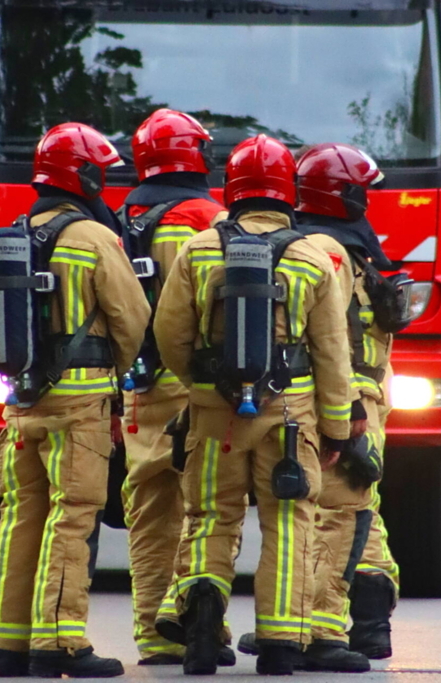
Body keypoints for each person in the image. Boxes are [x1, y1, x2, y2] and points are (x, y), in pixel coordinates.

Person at [153, 134, 353, 676]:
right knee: (288, 523)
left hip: (214, 417)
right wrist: (337, 430)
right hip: (289, 420)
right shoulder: (314, 257)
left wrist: (200, 386)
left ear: (232, 190)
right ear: (289, 193)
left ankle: (198, 630)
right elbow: (333, 353)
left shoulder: (198, 249)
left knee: (209, 518)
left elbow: (169, 334)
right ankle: (283, 645)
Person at [0, 122, 150, 679]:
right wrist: (117, 377)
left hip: (21, 404)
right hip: (80, 406)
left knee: (19, 518)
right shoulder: (95, 239)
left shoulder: (15, 231)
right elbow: (132, 319)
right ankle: (59, 641)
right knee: (72, 518)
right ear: (87, 177)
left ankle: (7, 644)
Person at [117, 109, 231, 666]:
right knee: (204, 506)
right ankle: (181, 611)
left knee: (149, 509)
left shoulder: (122, 217)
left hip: (138, 387)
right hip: (194, 386)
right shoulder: (209, 218)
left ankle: (152, 634)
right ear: (198, 157)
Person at [294, 142, 394, 667]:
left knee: (344, 508)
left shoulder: (323, 247)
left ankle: (321, 628)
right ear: (344, 197)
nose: (370, 204)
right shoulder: (341, 250)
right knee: (355, 508)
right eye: (364, 193)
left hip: (347, 395)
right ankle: (366, 628)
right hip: (353, 394)